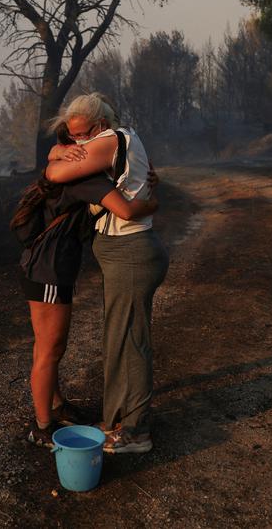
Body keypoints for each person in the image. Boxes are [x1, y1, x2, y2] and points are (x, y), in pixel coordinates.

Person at [13, 124, 159, 449]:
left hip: (40, 266)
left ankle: (54, 406)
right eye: (83, 142)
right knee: (50, 351)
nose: (89, 146)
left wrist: (58, 153)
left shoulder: (68, 170)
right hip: (48, 271)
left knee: (47, 348)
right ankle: (42, 427)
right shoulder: (86, 180)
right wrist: (153, 204)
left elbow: (52, 158)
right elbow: (127, 210)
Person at [45, 93, 169, 454]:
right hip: (126, 252)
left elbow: (54, 174)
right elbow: (57, 159)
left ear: (100, 125)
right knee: (118, 338)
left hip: (130, 253)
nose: (78, 144)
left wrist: (58, 157)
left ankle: (135, 432)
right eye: (72, 136)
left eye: (82, 135)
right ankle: (117, 419)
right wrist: (60, 151)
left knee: (129, 341)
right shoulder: (122, 139)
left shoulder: (109, 140)